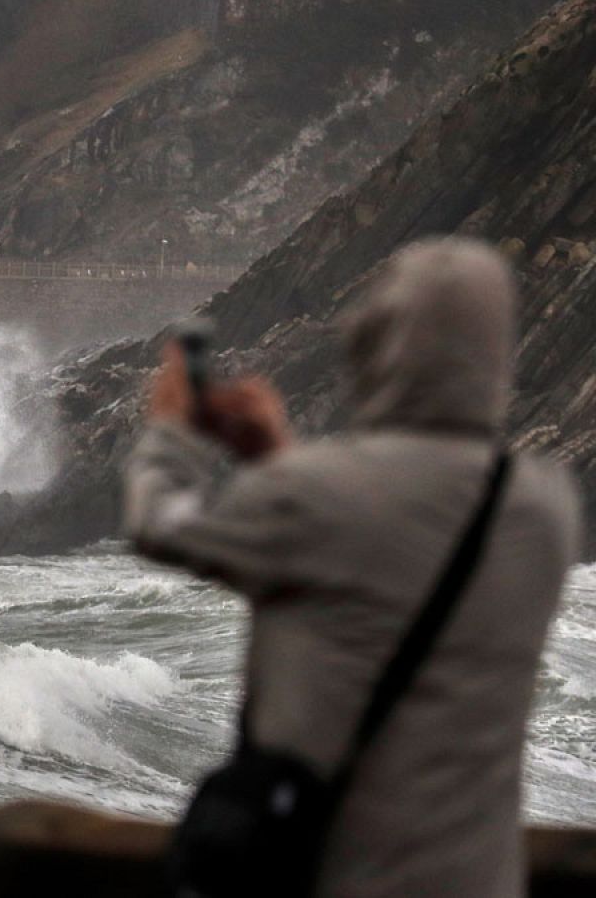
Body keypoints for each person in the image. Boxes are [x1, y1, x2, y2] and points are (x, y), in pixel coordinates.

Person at [124, 237, 581, 896]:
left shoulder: (311, 497)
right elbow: (391, 539)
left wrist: (173, 433)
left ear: (376, 342)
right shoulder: (546, 507)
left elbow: (160, 526)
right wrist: (278, 459)